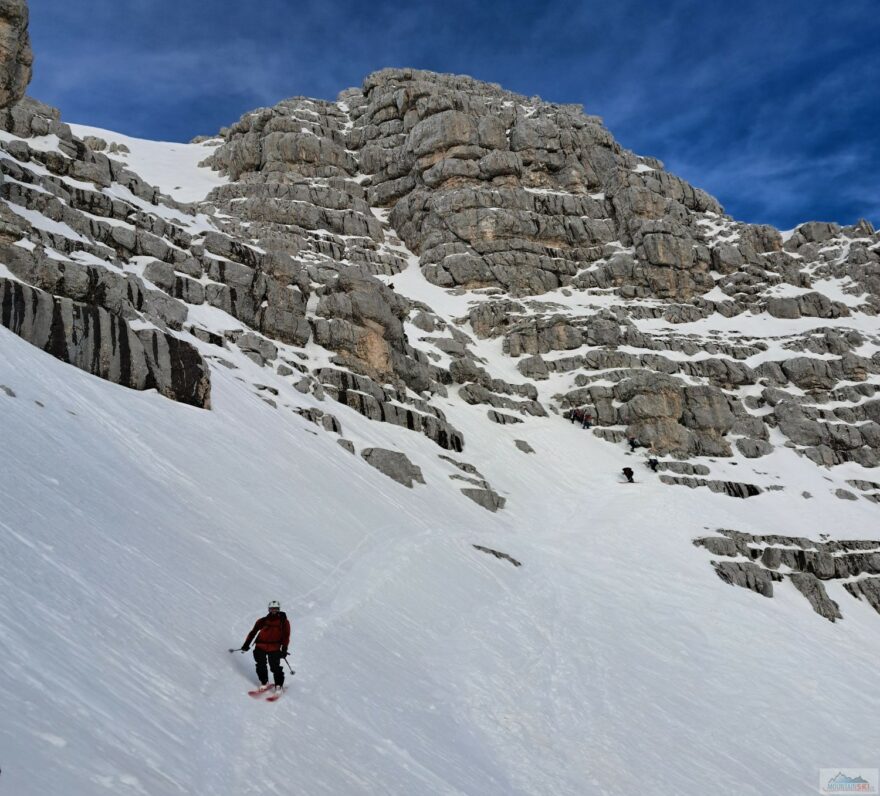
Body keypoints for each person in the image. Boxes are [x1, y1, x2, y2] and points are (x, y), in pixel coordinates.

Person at [241, 600, 291, 690]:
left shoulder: (284, 622)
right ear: (269, 609)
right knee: (260, 665)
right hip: (260, 646)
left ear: (279, 609)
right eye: (272, 609)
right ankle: (264, 682)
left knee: (275, 667)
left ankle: (278, 685)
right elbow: (253, 632)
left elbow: (286, 636)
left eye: (276, 609)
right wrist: (246, 644)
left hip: (274, 648)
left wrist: (284, 649)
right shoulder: (263, 620)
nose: (274, 611)